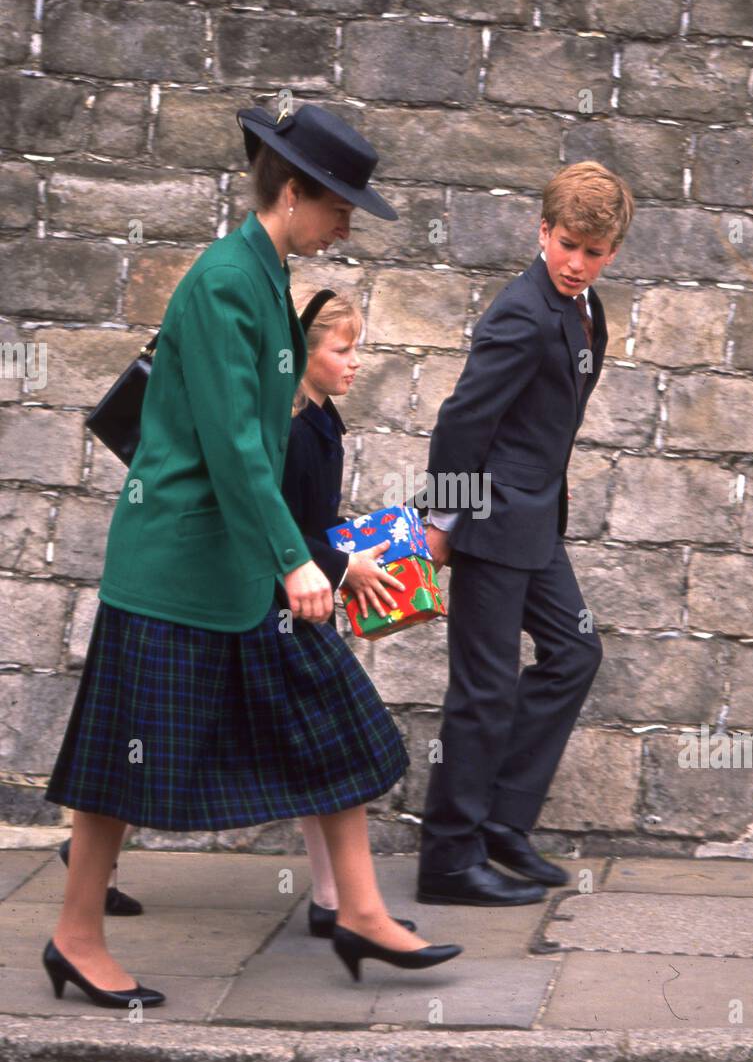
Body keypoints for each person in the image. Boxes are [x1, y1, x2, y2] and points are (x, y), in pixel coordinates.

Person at [42, 103, 461, 1006]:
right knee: (121, 765)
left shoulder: (269, 276)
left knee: (340, 727)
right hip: (179, 569)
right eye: (341, 202)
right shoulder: (229, 280)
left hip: (241, 567)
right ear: (296, 189)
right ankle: (76, 937)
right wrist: (297, 560)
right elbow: (234, 446)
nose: (349, 221)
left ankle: (357, 911)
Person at [416, 161, 635, 907]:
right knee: (482, 690)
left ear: (612, 251)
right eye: (568, 245)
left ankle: (503, 823)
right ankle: (447, 859)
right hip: (487, 522)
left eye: (594, 251)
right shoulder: (520, 311)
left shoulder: (585, 309)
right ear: (543, 232)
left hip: (535, 521)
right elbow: (461, 420)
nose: (578, 263)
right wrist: (441, 524)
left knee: (575, 653)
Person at [279, 279, 416, 937]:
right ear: (303, 350)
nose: (355, 361)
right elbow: (269, 524)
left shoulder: (324, 417)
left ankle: (332, 902)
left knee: (320, 754)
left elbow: (310, 518)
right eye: (343, 349)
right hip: (272, 610)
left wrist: (362, 544)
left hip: (303, 605)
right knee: (329, 747)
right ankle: (92, 849)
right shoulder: (287, 425)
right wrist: (342, 565)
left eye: (357, 348)